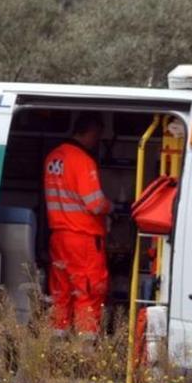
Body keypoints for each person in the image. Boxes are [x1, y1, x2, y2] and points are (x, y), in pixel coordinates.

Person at [44, 112, 112, 338]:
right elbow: (95, 204)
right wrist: (112, 207)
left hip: (59, 237)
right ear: (92, 132)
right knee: (88, 291)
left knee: (61, 292)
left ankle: (56, 343)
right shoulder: (82, 160)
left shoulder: (54, 157)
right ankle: (85, 349)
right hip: (82, 238)